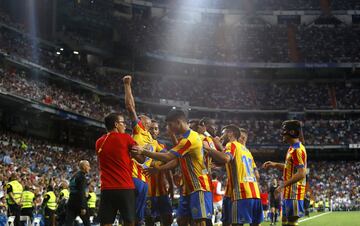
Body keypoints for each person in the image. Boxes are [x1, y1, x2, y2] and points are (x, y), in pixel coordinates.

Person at [132, 110, 213, 226]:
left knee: (200, 222)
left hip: (199, 186)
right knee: (181, 220)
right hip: (189, 188)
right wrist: (159, 169)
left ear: (178, 122)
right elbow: (176, 161)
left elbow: (168, 156)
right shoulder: (185, 138)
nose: (169, 128)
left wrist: (143, 151)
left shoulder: (189, 139)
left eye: (170, 125)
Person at [205, 125, 263, 226]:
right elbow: (257, 175)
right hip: (254, 193)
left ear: (230, 133)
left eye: (223, 133)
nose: (222, 136)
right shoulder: (248, 152)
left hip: (240, 192)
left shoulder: (232, 145)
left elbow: (226, 158)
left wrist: (208, 149)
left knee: (231, 223)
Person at [96, 112, 143, 226]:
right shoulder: (126, 138)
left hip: (107, 189)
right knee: (129, 222)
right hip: (125, 188)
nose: (125, 125)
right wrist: (140, 150)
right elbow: (141, 159)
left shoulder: (99, 142)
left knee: (106, 222)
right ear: (116, 124)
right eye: (123, 123)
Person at [263, 120, 307, 226]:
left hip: (294, 193)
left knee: (291, 223)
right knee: (284, 222)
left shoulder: (297, 150)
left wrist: (282, 186)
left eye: (284, 130)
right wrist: (275, 164)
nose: (282, 133)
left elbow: (301, 173)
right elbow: (289, 169)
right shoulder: (292, 148)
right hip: (289, 193)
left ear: (291, 132)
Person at [123, 75, 153, 226]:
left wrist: (127, 85)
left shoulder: (140, 129)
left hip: (132, 177)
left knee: (128, 217)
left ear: (145, 124)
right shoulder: (153, 143)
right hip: (144, 182)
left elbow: (130, 107)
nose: (138, 119)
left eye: (141, 119)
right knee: (138, 218)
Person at [145, 120, 174, 226]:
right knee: (149, 221)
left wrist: (171, 185)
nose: (153, 131)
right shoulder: (142, 145)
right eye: (151, 128)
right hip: (148, 192)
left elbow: (168, 167)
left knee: (168, 218)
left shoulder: (162, 147)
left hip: (162, 191)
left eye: (156, 128)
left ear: (158, 131)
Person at [65, 160, 91, 226]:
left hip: (71, 202)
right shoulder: (82, 177)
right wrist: (83, 207)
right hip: (79, 204)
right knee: (87, 223)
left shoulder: (74, 176)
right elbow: (81, 192)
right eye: (88, 166)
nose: (89, 168)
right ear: (84, 167)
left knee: (68, 223)